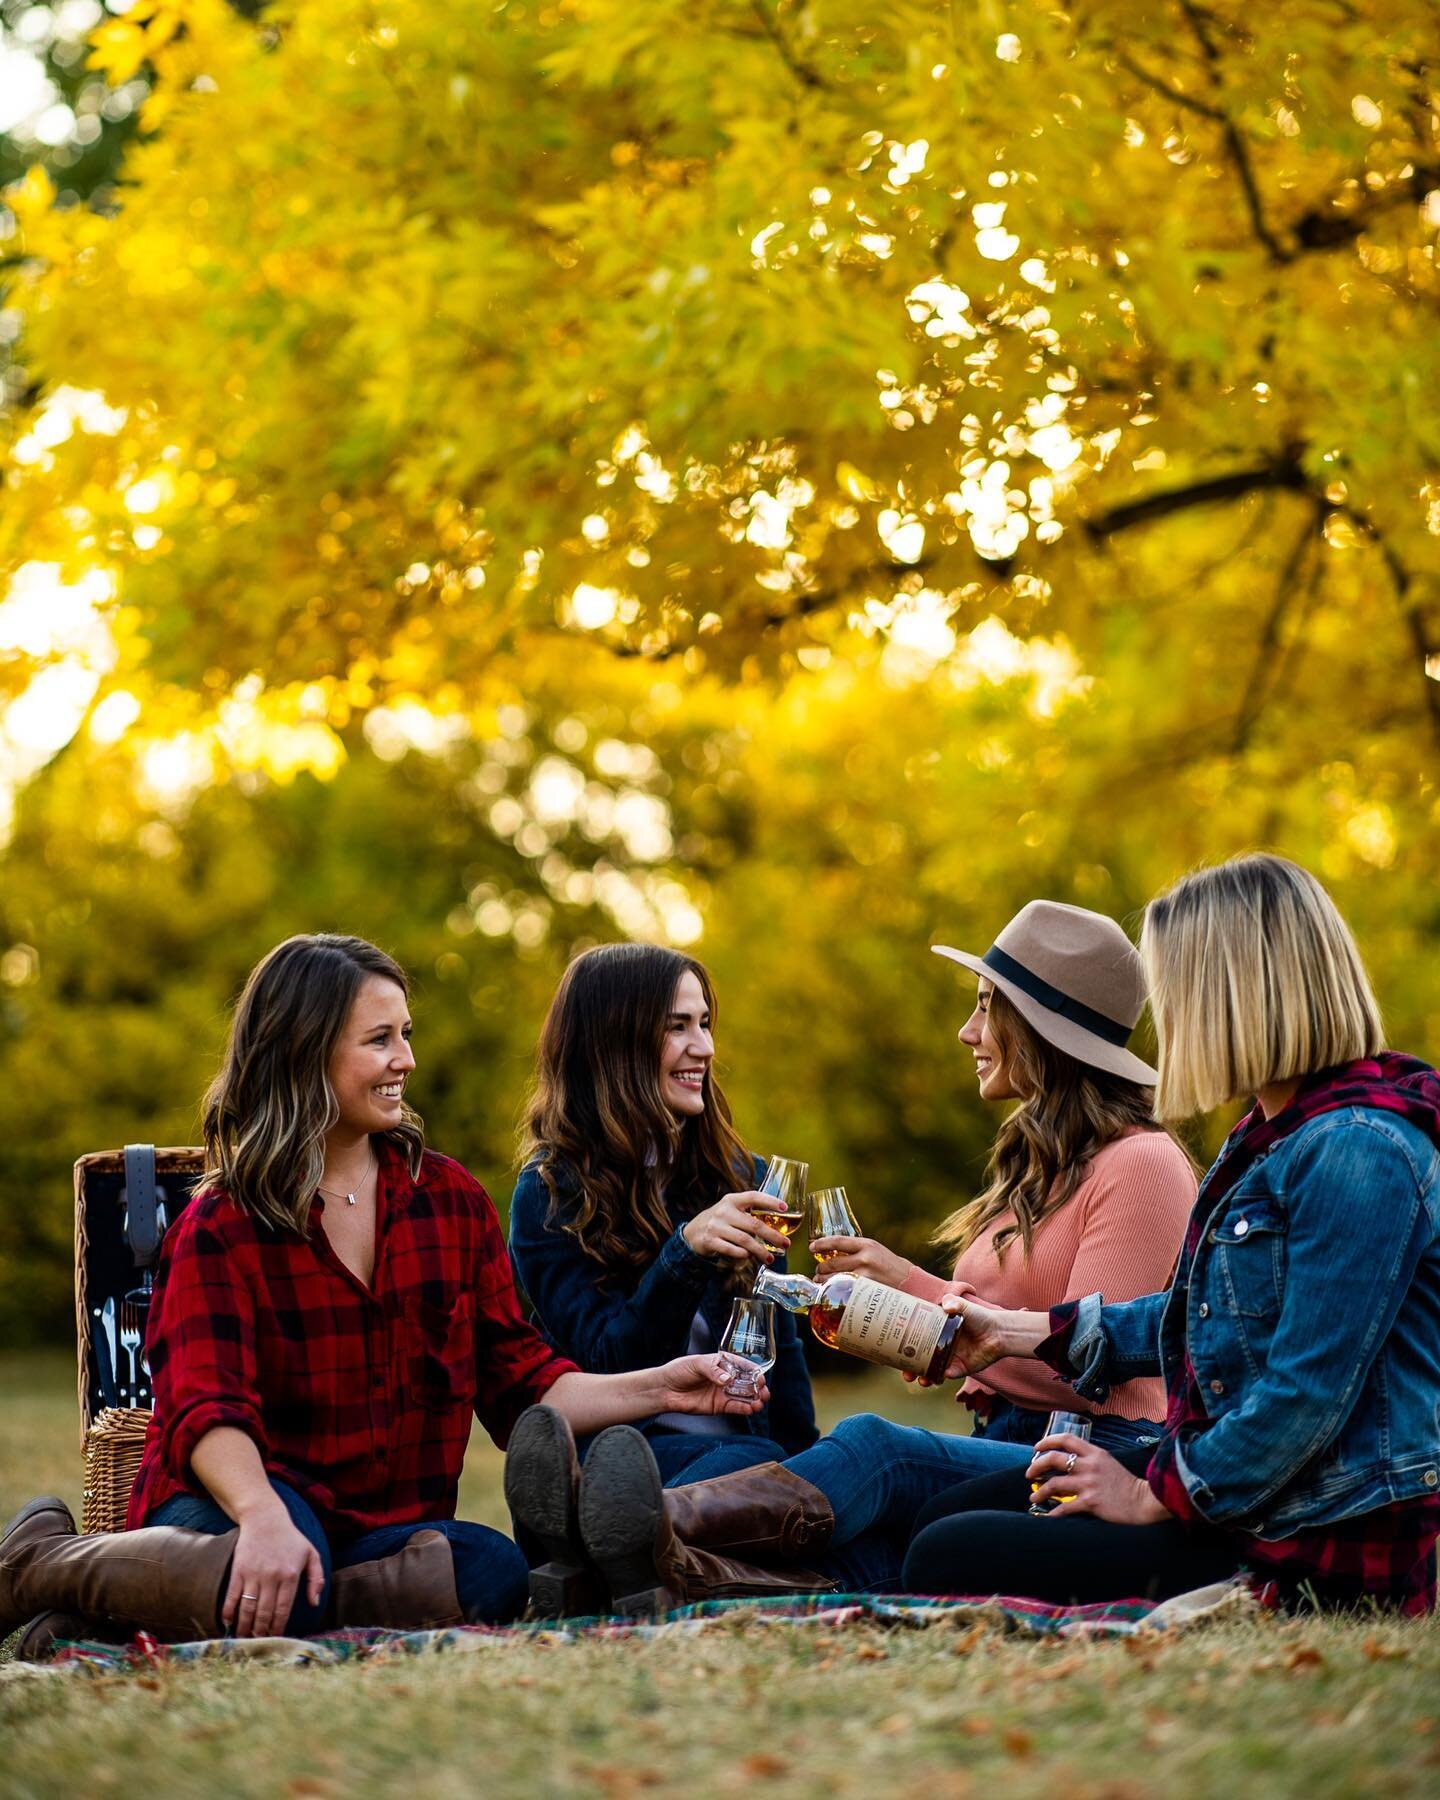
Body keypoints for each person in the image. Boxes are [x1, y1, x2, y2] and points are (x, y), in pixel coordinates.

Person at [0, 934, 781, 1657]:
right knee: (285, 1554)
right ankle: (40, 1565)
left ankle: (125, 1608)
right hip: (236, 1504)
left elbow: (522, 1383)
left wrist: (662, 1385)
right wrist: (264, 1516)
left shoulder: (447, 1199)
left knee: (494, 1572)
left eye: (405, 1034)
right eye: (379, 1040)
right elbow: (206, 1411)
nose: (405, 1059)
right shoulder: (222, 1223)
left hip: (384, 1527)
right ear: (305, 1055)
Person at [506, 902, 1196, 1609]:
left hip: (1093, 1447)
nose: (968, 1030)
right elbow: (609, 1357)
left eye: (987, 1008)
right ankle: (638, 1551)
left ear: (1041, 1030)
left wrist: (909, 1294)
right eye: (677, 1027)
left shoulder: (1140, 1164)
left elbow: (1088, 1363)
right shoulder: (1034, 1165)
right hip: (992, 1440)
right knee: (880, 1540)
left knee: (870, 1451)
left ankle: (618, 1535)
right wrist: (894, 1303)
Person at [903, 855, 1440, 1615]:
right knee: (942, 1516)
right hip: (1245, 1492)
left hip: (1306, 1533)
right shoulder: (1273, 1135)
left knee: (945, 1551)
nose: (1169, 1019)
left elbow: (1306, 1395)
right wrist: (1013, 1333)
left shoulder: (1359, 1151)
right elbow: (1200, 1316)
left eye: (1178, 990)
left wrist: (1150, 1491)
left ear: (1234, 997)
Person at [509, 942, 816, 1486]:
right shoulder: (550, 1193)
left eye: (704, 1024)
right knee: (746, 1468)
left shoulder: (741, 1175)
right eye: (677, 1027)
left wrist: (808, 1474)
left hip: (745, 1451)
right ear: (614, 1044)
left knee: (853, 1449)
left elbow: (780, 1353)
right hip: (621, 1459)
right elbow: (605, 1362)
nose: (704, 1047)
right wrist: (686, 1253)